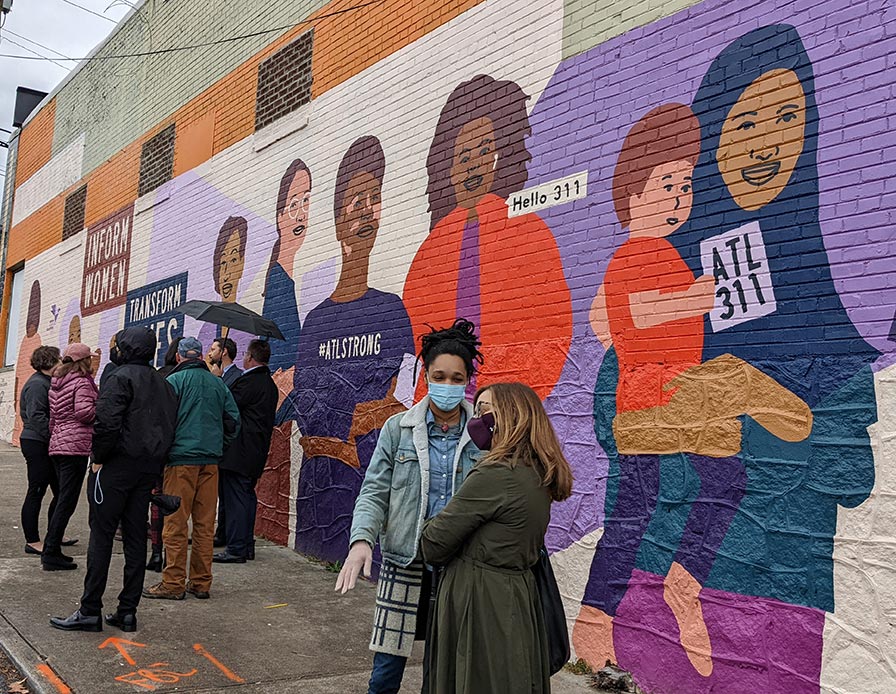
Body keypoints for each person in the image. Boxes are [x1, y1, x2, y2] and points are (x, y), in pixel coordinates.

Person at [335, 319, 484, 694]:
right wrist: (361, 542)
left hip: (460, 568)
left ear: (468, 380)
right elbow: (374, 490)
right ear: (425, 375)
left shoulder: (484, 434)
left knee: (445, 668)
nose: (447, 386)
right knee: (386, 669)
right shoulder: (397, 428)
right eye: (439, 376)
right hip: (405, 559)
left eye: (456, 378)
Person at [403, 75, 572, 401]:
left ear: (502, 159)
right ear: (447, 170)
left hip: (507, 401)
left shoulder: (530, 232)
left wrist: (521, 396)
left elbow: (555, 327)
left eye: (486, 151)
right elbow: (413, 340)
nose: (474, 165)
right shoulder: (430, 251)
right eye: (463, 157)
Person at [288, 136, 415, 563]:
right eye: (354, 199)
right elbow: (304, 401)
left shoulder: (392, 311)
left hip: (371, 480)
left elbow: (404, 397)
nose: (365, 209)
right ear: (339, 219)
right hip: (318, 486)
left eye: (374, 198)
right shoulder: (317, 321)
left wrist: (349, 424)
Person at [421, 382, 573, 693]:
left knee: (476, 678)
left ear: (512, 415)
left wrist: (433, 522)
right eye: (476, 411)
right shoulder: (535, 472)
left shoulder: (495, 474)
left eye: (485, 410)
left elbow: (433, 544)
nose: (477, 419)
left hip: (479, 601)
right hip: (515, 595)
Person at [50, 327, 179, 633]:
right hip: (146, 469)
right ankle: (127, 610)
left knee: (102, 536)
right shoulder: (164, 383)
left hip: (116, 467)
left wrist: (98, 459)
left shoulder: (119, 378)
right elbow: (170, 427)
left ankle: (90, 609)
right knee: (136, 538)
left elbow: (107, 423)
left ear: (125, 349)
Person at [143, 337, 240, 601]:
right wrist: (218, 444)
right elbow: (233, 421)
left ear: (179, 357)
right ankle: (201, 582)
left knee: (175, 523)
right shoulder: (217, 384)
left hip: (180, 461)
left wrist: (161, 454)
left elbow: (159, 424)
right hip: (210, 461)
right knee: (205, 524)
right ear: (200, 357)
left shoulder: (173, 382)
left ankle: (173, 582)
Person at [214, 339, 278, 564]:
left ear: (250, 358)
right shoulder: (268, 383)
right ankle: (245, 545)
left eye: (245, 356)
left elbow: (226, 405)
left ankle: (237, 548)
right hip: (255, 452)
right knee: (247, 498)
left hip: (239, 452)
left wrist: (218, 379)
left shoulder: (248, 382)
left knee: (236, 501)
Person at [42, 343, 99, 571]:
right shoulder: (82, 382)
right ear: (83, 360)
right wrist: (101, 407)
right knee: (67, 500)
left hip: (58, 444)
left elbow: (53, 418)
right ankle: (51, 552)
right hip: (75, 447)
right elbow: (84, 412)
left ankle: (51, 549)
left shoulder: (56, 383)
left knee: (61, 499)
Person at [20, 345, 62, 556]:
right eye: (59, 359)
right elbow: (36, 417)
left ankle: (55, 534)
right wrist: (55, 437)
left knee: (60, 490)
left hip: (44, 442)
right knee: (37, 490)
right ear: (50, 361)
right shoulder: (38, 384)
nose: (62, 362)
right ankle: (33, 541)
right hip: (37, 443)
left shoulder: (46, 382)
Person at [147, 336, 184, 573]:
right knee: (175, 503)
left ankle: (156, 552)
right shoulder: (187, 378)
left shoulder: (159, 376)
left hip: (157, 448)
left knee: (157, 499)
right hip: (179, 448)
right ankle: (170, 555)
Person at [13, 280, 44, 446]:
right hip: (35, 436)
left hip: (30, 434)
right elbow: (18, 373)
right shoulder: (39, 383)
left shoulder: (36, 381)